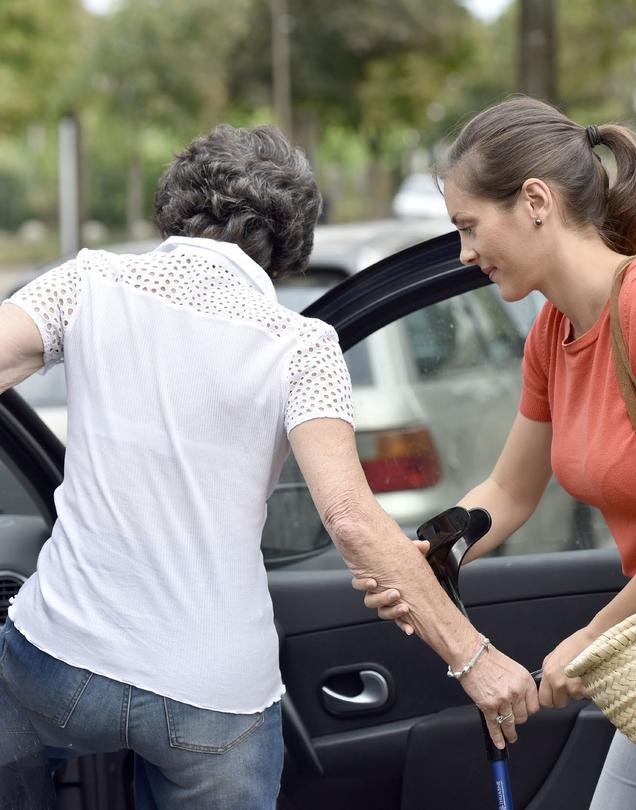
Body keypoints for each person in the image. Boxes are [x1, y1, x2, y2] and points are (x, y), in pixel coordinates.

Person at [0, 124, 538, 810]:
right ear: (291, 240)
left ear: (177, 200)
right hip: (212, 695)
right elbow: (350, 522)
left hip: (58, 665)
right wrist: (473, 658)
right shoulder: (302, 348)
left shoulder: (88, 283)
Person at [355, 96, 636, 809]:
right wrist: (433, 550)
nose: (466, 253)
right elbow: (509, 491)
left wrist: (594, 639)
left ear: (535, 201)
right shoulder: (554, 333)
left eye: (470, 227)